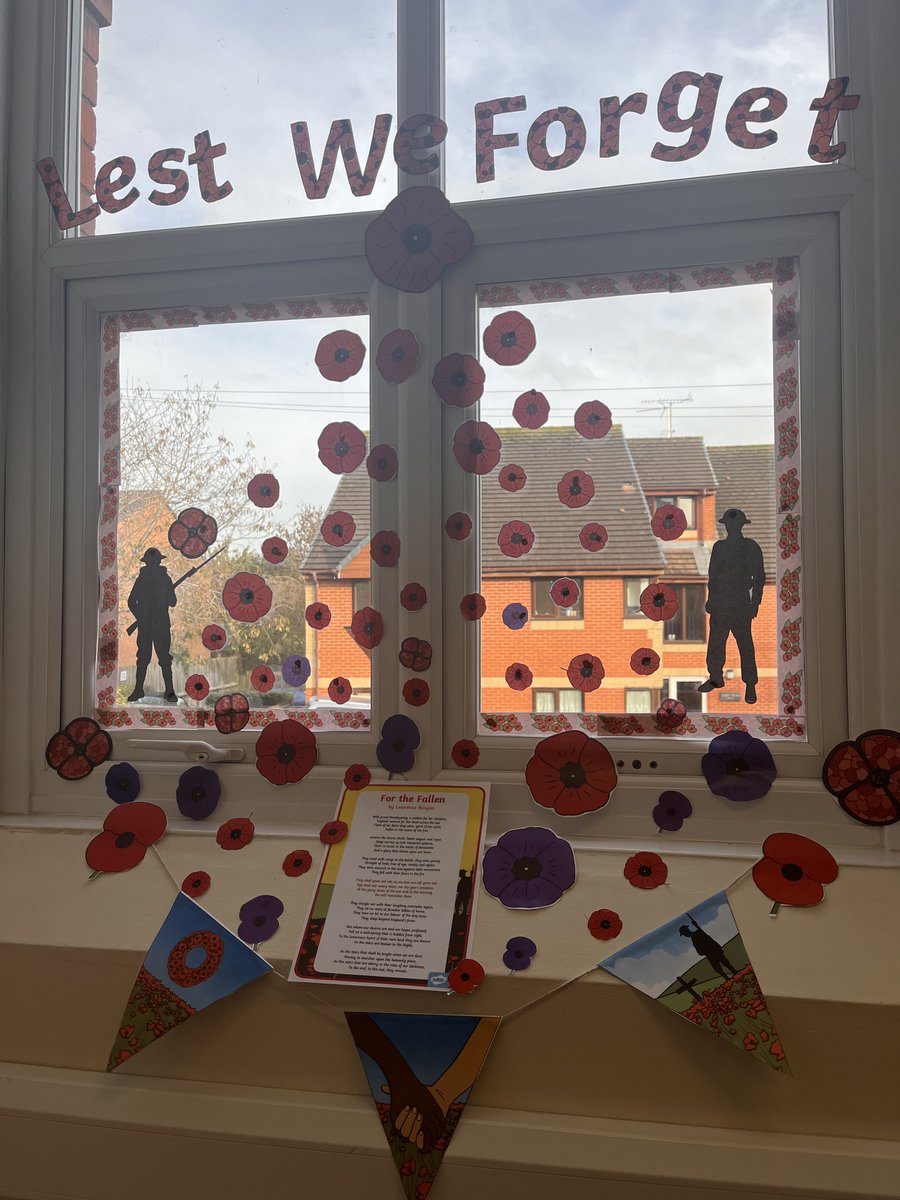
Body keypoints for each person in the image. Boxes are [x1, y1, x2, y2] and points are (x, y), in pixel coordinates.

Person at [698, 508, 765, 704]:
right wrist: (711, 599)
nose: (731, 527)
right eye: (728, 524)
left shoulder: (751, 547)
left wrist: (755, 602)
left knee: (745, 644)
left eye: (734, 524)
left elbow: (759, 577)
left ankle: (750, 684)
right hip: (720, 603)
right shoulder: (719, 547)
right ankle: (715, 677)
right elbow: (713, 576)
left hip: (740, 603)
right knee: (716, 642)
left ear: (741, 525)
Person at [127, 547, 178, 703]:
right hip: (147, 626)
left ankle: (169, 691)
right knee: (143, 658)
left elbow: (173, 602)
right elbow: (131, 602)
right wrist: (141, 617)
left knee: (163, 658)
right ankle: (139, 689)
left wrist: (166, 593)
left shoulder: (164, 580)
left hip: (160, 625)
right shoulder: (142, 580)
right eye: (153, 561)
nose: (154, 564)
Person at [679, 915, 737, 981]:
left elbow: (706, 938)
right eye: (684, 934)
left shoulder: (697, 933)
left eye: (684, 933)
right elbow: (700, 950)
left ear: (686, 931)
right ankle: (730, 977)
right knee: (719, 968)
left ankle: (734, 974)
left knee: (724, 964)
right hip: (711, 953)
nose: (685, 935)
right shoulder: (694, 936)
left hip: (713, 951)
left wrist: (696, 926)